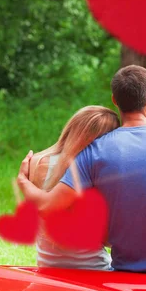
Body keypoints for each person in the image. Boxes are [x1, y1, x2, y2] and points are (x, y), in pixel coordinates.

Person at [18, 65, 146, 279]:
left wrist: (23, 182)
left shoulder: (93, 152)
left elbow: (48, 206)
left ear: (115, 100)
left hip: (127, 274)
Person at [29, 106, 119, 271]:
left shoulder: (36, 162)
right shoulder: (98, 174)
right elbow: (108, 239)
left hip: (47, 267)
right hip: (94, 271)